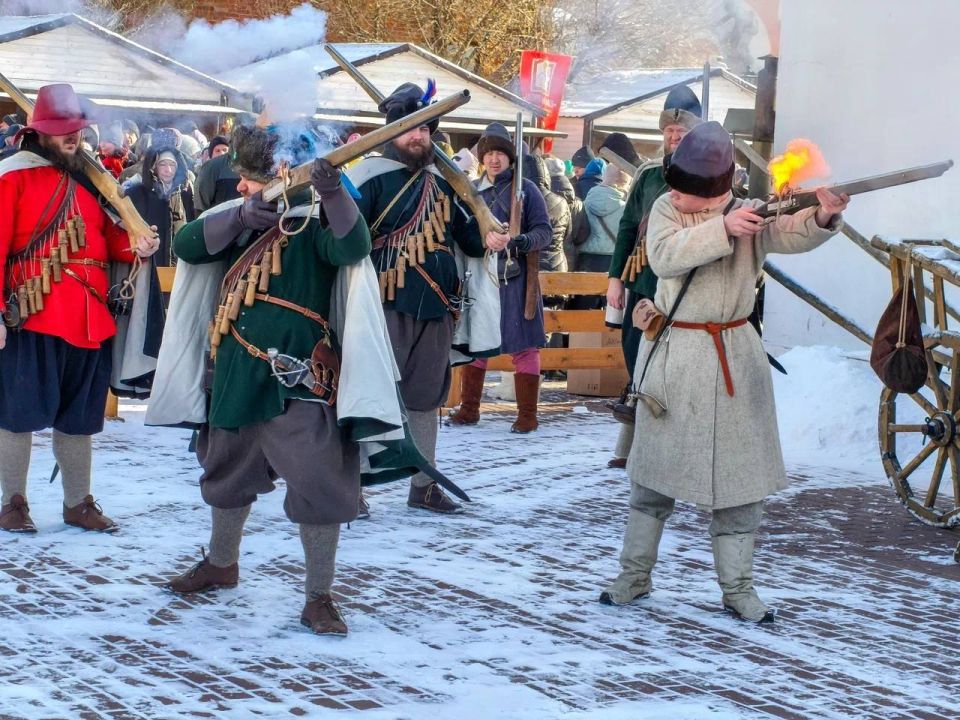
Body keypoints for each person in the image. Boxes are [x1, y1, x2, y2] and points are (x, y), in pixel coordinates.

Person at [599, 121, 850, 622]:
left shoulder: (747, 212)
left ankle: (738, 589)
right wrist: (722, 230)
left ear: (713, 190)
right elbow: (666, 257)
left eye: (687, 188)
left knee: (740, 487)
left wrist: (822, 214)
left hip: (734, 356)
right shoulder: (667, 208)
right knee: (651, 481)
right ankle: (633, 576)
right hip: (676, 356)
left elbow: (789, 233)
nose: (676, 192)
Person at [162, 124, 373, 636]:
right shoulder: (238, 218)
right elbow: (188, 245)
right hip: (236, 372)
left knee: (320, 483)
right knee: (225, 473)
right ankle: (221, 563)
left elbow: (354, 246)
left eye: (250, 180)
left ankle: (319, 595)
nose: (240, 187)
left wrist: (331, 190)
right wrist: (240, 215)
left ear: (280, 176)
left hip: (300, 378)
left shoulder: (317, 220)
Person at [0, 84, 160, 533]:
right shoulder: (12, 176)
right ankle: (13, 503)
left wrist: (137, 242)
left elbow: (105, 243)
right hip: (33, 312)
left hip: (90, 317)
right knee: (17, 413)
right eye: (63, 131)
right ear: (40, 133)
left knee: (79, 419)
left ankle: (77, 503)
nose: (73, 137)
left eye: (76, 130)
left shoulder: (88, 180)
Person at [349, 82, 490, 516]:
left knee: (426, 400)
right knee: (368, 396)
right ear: (391, 131)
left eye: (426, 131)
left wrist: (490, 228)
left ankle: (423, 485)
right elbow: (346, 240)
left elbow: (470, 240)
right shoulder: (366, 176)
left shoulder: (444, 183)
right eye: (411, 130)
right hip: (380, 307)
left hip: (436, 307)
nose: (419, 138)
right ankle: (350, 487)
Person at [605, 85, 702, 469]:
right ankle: (631, 449)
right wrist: (615, 279)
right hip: (643, 279)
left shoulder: (707, 174)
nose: (674, 138)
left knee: (671, 368)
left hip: (682, 283)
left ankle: (659, 452)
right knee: (636, 359)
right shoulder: (647, 175)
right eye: (669, 132)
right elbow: (628, 227)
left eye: (681, 133)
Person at [448, 122, 552, 433]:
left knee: (524, 348)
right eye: (489, 153)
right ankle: (469, 409)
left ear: (509, 157)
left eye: (500, 153)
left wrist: (517, 241)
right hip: (481, 276)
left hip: (516, 278)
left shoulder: (527, 190)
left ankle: (527, 415)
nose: (494, 159)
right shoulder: (474, 189)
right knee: (478, 342)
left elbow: (544, 232)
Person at [126, 145, 197, 267]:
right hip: (148, 262)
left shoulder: (185, 194)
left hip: (179, 262)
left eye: (172, 165)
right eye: (163, 164)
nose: (168, 170)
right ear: (154, 167)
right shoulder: (137, 193)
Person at [574, 163, 629, 301]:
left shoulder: (583, 204)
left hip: (586, 261)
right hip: (614, 263)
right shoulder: (627, 210)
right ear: (625, 183)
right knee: (609, 314)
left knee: (581, 313)